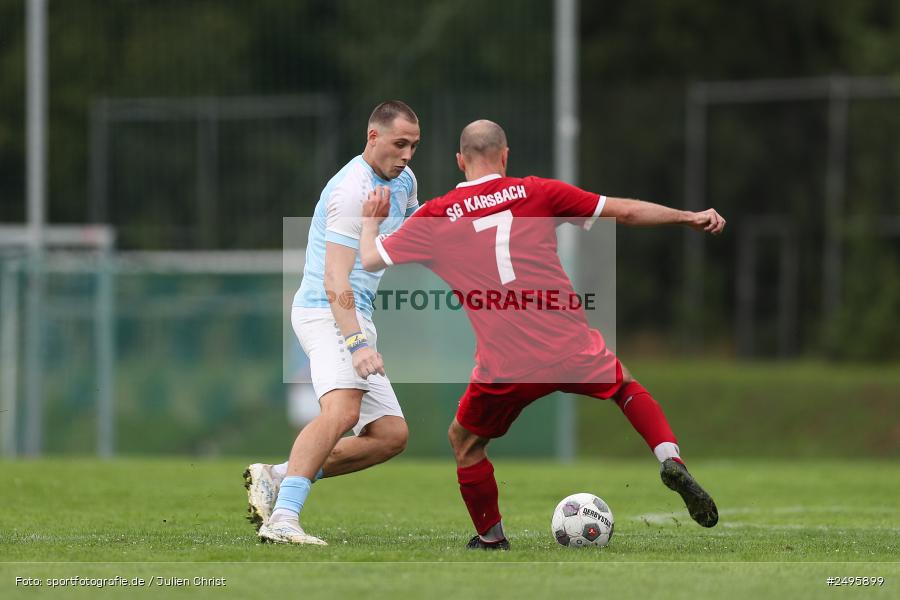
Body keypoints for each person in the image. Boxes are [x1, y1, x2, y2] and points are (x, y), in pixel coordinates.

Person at [359, 119, 725, 550]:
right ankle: (670, 459)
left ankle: (491, 537)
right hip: (569, 344)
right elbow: (623, 211)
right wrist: (688, 216)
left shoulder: (437, 214)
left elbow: (369, 258)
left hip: (504, 364)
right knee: (625, 385)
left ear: (460, 161)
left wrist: (371, 220)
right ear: (505, 155)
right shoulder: (538, 191)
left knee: (465, 441)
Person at [250, 100, 421, 545]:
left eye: (414, 146)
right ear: (373, 137)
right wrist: (358, 343)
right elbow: (334, 278)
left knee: (389, 435)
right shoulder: (352, 191)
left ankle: (279, 475)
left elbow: (408, 231)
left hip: (355, 313)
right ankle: (283, 519)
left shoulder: (403, 181)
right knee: (342, 411)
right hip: (328, 311)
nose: (406, 155)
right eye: (399, 144)